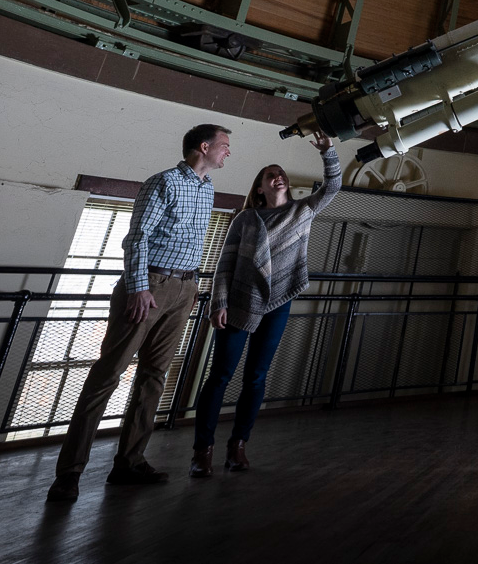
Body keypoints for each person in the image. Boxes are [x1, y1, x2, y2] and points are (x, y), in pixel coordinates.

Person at [47, 124, 231, 501]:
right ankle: (68, 474)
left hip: (184, 289)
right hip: (150, 286)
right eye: (225, 146)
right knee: (107, 375)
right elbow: (137, 238)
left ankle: (129, 463)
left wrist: (191, 290)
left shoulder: (207, 187)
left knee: (154, 377)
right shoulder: (162, 182)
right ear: (204, 146)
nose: (229, 153)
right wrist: (138, 287)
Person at [189, 129, 341, 477]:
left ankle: (238, 445)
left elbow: (332, 187)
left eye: (281, 174)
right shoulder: (246, 219)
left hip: (278, 303)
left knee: (256, 377)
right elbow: (225, 264)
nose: (278, 177)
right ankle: (202, 450)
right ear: (259, 187)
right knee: (220, 376)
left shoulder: (302, 211)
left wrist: (328, 151)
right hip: (240, 303)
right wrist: (218, 303)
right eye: (270, 175)